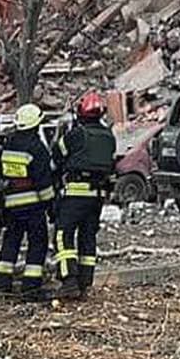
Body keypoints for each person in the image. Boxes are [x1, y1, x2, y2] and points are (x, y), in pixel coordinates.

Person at [50, 91, 118, 301]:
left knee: (63, 234)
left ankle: (69, 281)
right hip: (97, 197)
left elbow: (57, 154)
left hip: (74, 195)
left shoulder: (77, 135)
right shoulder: (109, 137)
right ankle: (84, 283)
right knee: (88, 238)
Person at [0, 103, 57, 301]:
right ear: (36, 124)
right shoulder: (37, 148)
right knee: (38, 243)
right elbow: (43, 182)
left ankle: (1, 284)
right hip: (33, 206)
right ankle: (31, 287)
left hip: (11, 206)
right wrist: (51, 207)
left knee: (11, 242)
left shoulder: (8, 145)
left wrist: (1, 203)